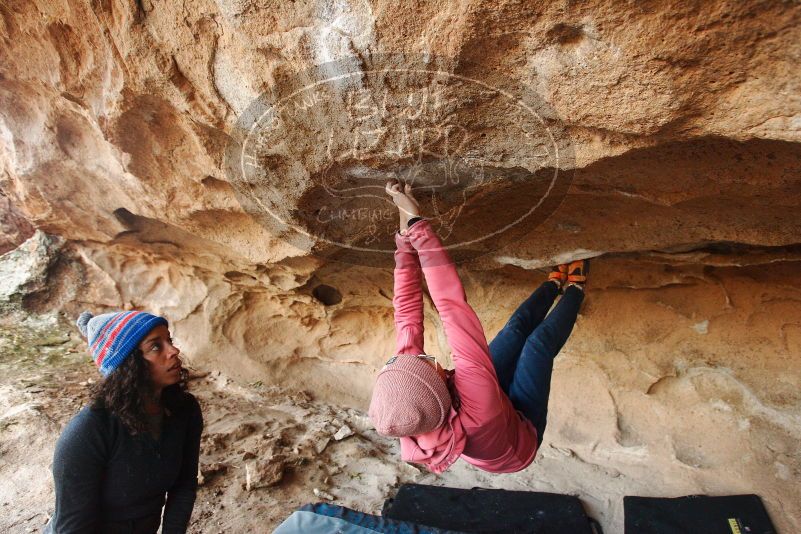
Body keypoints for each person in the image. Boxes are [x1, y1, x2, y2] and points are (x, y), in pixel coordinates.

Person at [369, 180, 588, 474]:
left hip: (481, 411)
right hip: (518, 439)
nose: (428, 359)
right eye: (428, 365)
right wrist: (421, 228)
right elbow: (451, 305)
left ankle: (552, 284)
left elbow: (406, 312)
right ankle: (576, 290)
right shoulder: (478, 406)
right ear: (439, 392)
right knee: (537, 346)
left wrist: (404, 234)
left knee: (513, 331)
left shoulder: (408, 397)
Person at [45, 310, 203, 533]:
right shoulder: (89, 432)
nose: (174, 351)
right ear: (129, 364)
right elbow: (73, 527)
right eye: (156, 347)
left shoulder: (184, 410)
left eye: (169, 341)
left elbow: (184, 485)